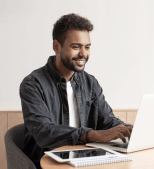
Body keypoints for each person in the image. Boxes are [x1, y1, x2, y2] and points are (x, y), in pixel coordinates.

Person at [19, 13, 132, 169]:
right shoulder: (33, 84)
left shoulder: (90, 82)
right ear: (56, 46)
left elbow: (108, 121)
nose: (83, 54)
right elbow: (43, 130)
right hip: (46, 164)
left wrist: (130, 131)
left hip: (84, 163)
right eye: (76, 46)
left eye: (87, 47)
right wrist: (92, 134)